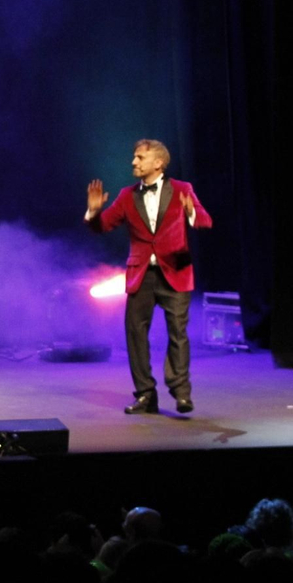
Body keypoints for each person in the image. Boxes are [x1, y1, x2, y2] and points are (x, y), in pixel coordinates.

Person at [86, 139, 211, 415]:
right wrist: (94, 211)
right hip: (141, 274)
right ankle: (145, 395)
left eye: (140, 157)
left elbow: (205, 220)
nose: (134, 162)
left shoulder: (182, 189)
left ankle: (180, 391)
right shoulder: (127, 195)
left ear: (158, 163)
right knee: (135, 334)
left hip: (175, 271)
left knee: (178, 333)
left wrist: (190, 210)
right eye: (134, 157)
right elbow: (103, 226)